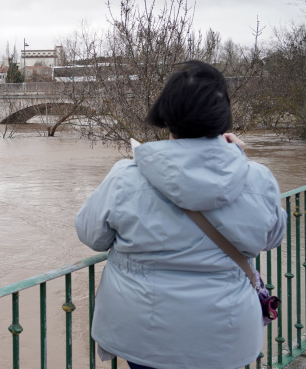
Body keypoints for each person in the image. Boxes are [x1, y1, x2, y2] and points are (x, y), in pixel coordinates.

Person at [75, 61, 286, 369]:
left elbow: (91, 235)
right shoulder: (258, 179)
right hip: (225, 335)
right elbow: (273, 237)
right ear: (222, 115)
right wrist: (239, 160)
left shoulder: (126, 178)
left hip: (144, 336)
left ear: (167, 115)